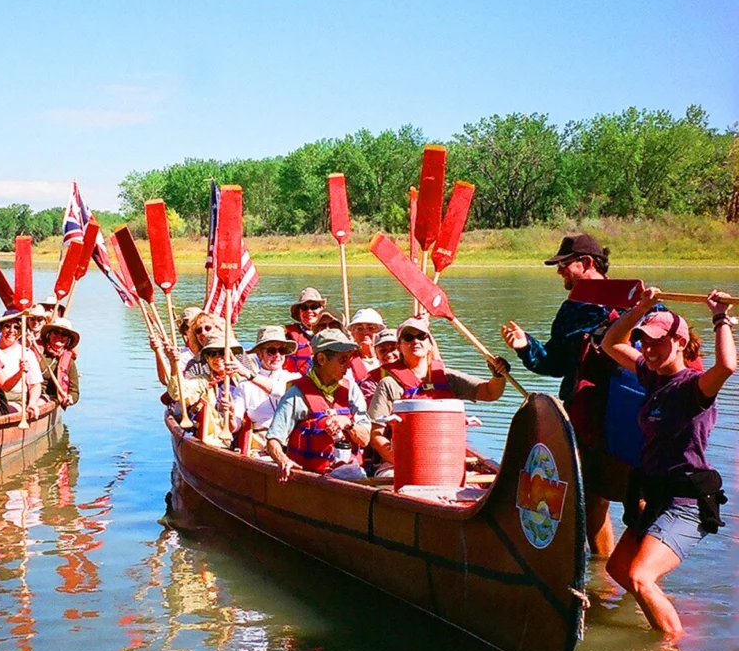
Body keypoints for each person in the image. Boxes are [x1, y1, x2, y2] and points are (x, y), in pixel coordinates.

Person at [601, 288, 734, 637]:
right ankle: (663, 606)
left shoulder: (694, 387)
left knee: (639, 576)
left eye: (657, 342)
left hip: (686, 503)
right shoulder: (651, 376)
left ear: (678, 341)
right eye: (644, 341)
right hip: (658, 497)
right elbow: (612, 344)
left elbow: (727, 366)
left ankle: (672, 648)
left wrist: (720, 316)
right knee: (618, 568)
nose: (647, 349)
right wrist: (639, 308)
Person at [501, 233, 618, 555]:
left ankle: (616, 579)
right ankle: (605, 577)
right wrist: (526, 346)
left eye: (565, 265)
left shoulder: (629, 302)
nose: (559, 272)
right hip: (603, 413)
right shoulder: (577, 308)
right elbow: (556, 361)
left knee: (610, 495)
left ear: (588, 263)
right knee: (600, 494)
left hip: (607, 413)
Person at [367, 317, 509, 476]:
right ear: (399, 346)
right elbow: (375, 435)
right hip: (399, 463)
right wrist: (402, 461)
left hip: (446, 459)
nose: (416, 341)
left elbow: (490, 392)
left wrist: (498, 376)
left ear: (429, 345)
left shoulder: (448, 378)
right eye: (408, 338)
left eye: (421, 337)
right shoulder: (389, 384)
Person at [265, 329, 371, 481]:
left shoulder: (352, 389)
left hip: (351, 477)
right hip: (311, 479)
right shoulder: (296, 393)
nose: (348, 366)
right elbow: (273, 439)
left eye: (349, 359)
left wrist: (349, 424)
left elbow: (365, 439)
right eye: (342, 360)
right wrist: (283, 460)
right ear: (321, 359)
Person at [239, 326, 301, 445]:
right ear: (259, 354)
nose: (277, 355)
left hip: (292, 440)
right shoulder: (244, 385)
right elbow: (234, 426)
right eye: (271, 351)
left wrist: (250, 375)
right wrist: (230, 414)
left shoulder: (295, 379)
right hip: (260, 443)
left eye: (281, 351)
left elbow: (281, 391)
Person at [0, 316, 45, 419]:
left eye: (17, 328)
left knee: (8, 411)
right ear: (1, 328)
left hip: (15, 399)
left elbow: (35, 385)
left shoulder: (26, 353)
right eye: (7, 326)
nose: (12, 331)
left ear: (20, 332)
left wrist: (32, 403)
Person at [283, 287, 326, 374]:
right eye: (304, 307)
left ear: (321, 310)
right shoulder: (286, 336)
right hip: (297, 384)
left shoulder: (333, 334)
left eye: (314, 307)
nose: (309, 311)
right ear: (299, 312)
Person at [41, 318, 82, 407]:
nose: (59, 336)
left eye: (64, 334)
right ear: (50, 334)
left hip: (49, 397)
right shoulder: (38, 352)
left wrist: (70, 398)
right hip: (30, 394)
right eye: (56, 332)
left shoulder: (69, 362)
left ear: (68, 339)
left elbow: (74, 391)